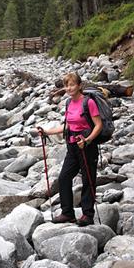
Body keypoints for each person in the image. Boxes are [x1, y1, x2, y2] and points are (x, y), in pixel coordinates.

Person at [37, 72, 103, 226]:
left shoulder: (88, 102)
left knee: (88, 180)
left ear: (79, 86)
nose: (69, 88)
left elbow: (98, 125)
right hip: (72, 146)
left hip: (87, 146)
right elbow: (67, 127)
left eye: (72, 84)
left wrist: (87, 140)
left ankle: (88, 215)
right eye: (67, 85)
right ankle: (68, 213)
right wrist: (47, 131)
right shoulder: (68, 103)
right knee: (64, 178)